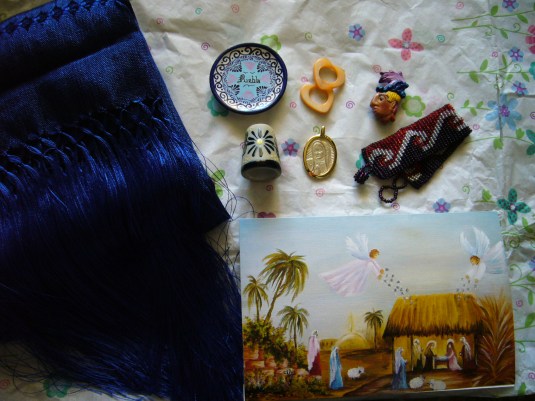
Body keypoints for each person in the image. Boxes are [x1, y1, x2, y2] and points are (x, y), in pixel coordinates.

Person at [319, 234, 384, 296]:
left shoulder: (369, 260)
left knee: (351, 278)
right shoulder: (369, 260)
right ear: (373, 254)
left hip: (361, 269)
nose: (377, 256)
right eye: (376, 254)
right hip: (360, 269)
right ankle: (341, 287)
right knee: (350, 277)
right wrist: (379, 272)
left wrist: (379, 271)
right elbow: (375, 265)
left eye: (377, 255)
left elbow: (376, 265)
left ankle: (342, 287)